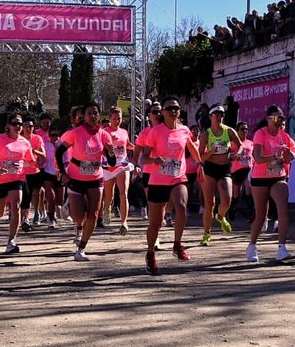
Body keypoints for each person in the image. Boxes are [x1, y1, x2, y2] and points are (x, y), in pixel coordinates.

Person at [134, 99, 199, 274]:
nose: (174, 111)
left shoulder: (184, 130)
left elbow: (192, 148)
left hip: (178, 177)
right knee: (155, 223)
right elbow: (144, 158)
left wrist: (201, 163)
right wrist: (154, 160)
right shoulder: (155, 132)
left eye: (177, 108)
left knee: (182, 206)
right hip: (158, 180)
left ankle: (177, 244)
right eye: (170, 108)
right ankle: (150, 253)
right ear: (163, 112)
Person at [54, 101, 117, 263]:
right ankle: (74, 215)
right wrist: (62, 172)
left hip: (96, 178)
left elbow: (111, 162)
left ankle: (81, 248)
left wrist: (111, 153)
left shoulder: (104, 135)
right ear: (85, 116)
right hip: (76, 177)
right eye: (90, 113)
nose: (93, 116)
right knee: (78, 216)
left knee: (94, 215)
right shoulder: (75, 133)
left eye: (96, 113)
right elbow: (59, 152)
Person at [245, 105, 295, 263]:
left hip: (278, 177)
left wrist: (290, 156)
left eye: (282, 118)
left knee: (283, 210)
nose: (279, 121)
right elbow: (258, 158)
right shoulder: (260, 134)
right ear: (268, 119)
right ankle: (252, 246)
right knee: (261, 216)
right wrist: (275, 157)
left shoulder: (284, 136)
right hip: (260, 178)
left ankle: (282, 248)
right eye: (276, 118)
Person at [0, 115, 40, 255]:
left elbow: (30, 160)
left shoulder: (25, 142)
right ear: (8, 125)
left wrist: (39, 161)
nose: (18, 126)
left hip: (17, 178)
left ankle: (11, 241)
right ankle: (2, 209)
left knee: (16, 206)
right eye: (15, 123)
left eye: (20, 124)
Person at [197, 105, 240, 247]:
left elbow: (240, 145)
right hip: (209, 169)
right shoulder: (206, 134)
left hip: (224, 169)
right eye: (216, 114)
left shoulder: (229, 131)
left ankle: (220, 217)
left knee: (227, 200)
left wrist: (235, 153)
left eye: (221, 114)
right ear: (210, 117)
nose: (219, 116)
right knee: (209, 203)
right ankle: (206, 233)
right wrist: (211, 151)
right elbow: (200, 157)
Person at [101, 107, 133, 235]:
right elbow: (100, 146)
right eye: (114, 119)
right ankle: (107, 208)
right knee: (109, 196)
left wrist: (138, 148)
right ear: (109, 119)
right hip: (108, 166)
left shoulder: (124, 132)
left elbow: (127, 144)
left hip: (122, 164)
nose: (117, 121)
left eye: (119, 118)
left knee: (123, 193)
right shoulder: (104, 132)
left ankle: (124, 222)